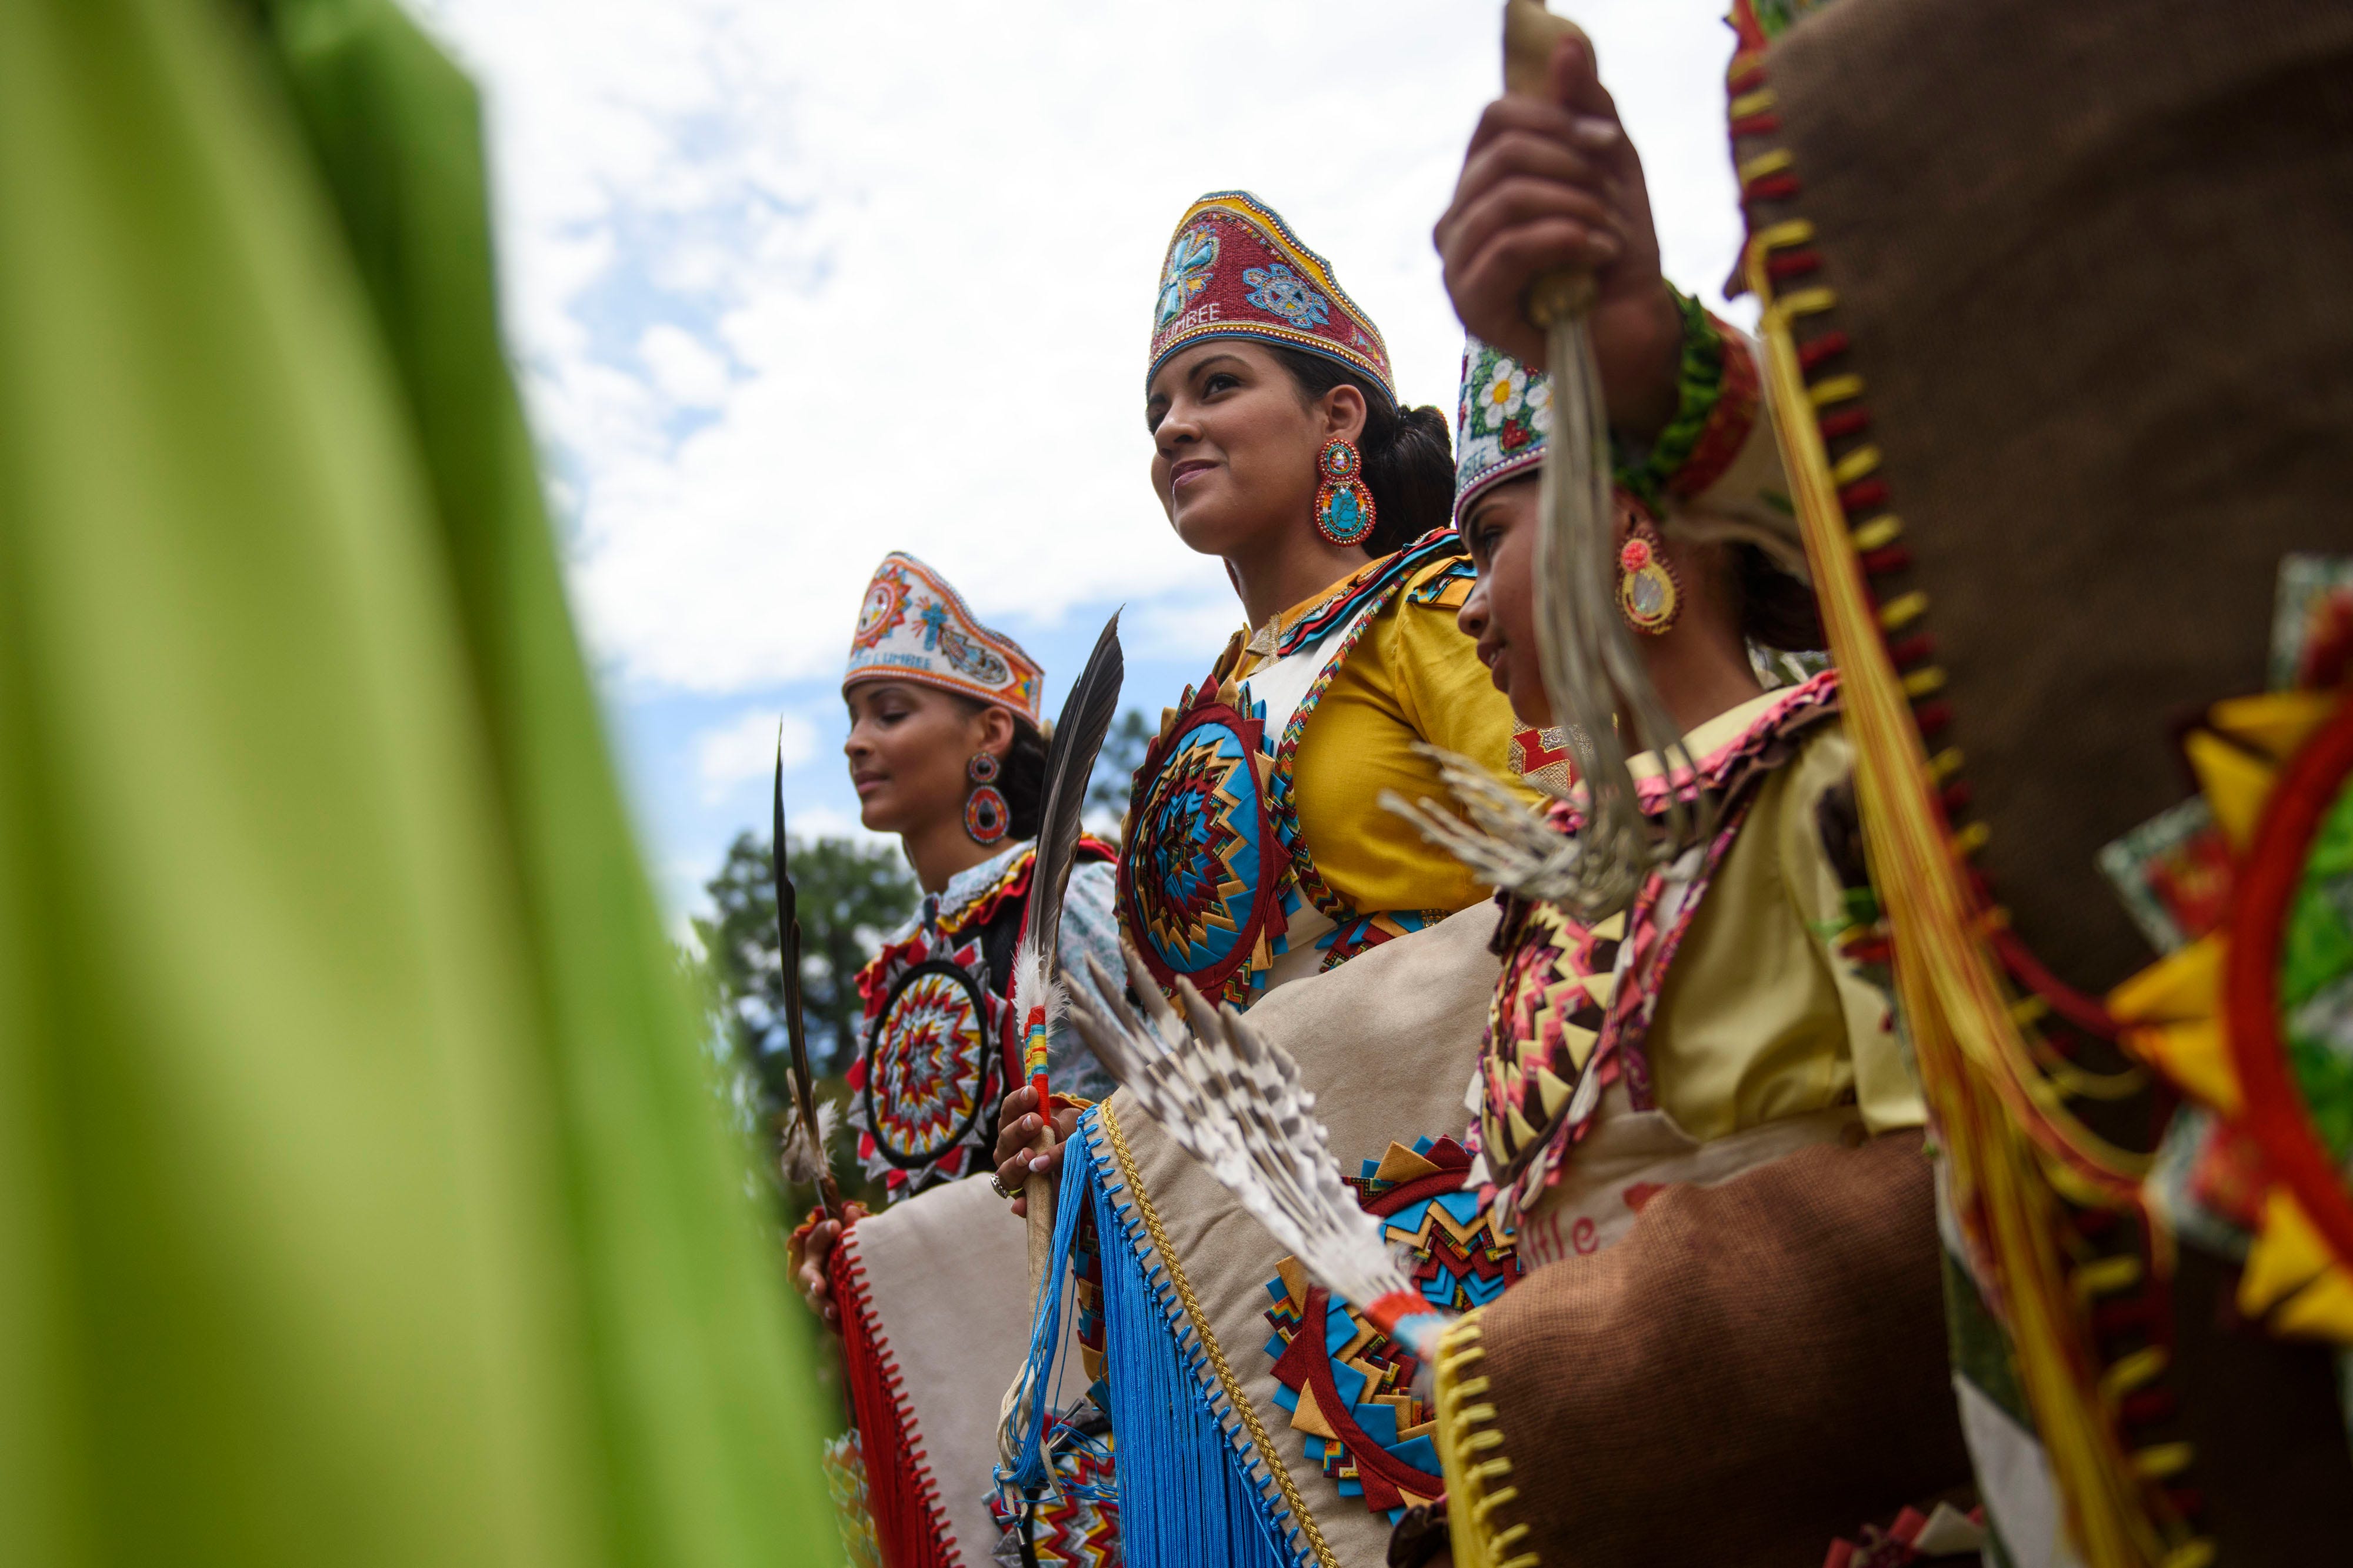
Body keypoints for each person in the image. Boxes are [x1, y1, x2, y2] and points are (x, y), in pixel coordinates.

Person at [992, 194, 1541, 1568]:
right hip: (1261, 1270)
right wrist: (1090, 1142)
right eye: (1155, 407)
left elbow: (1577, 865)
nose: (1173, 427)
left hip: (1464, 1208)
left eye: (1214, 385)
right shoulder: (1209, 709)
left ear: (1338, 419)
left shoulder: (1427, 614)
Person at [787, 552, 1120, 1567]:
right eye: (853, 718)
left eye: (889, 712)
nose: (856, 743)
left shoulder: (1073, 901)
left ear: (989, 730)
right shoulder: (900, 966)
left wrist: (1083, 1149)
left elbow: (1187, 1102)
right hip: (961, 1395)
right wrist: (859, 1254)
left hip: (1102, 1372)